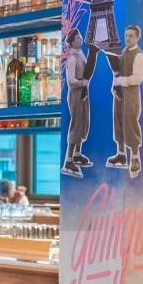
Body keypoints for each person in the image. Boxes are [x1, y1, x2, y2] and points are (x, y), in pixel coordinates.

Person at [106, 24, 143, 178]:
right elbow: (118, 71)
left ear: (137, 37)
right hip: (120, 95)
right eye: (126, 35)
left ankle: (135, 158)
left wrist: (121, 80)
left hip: (131, 96)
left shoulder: (139, 55)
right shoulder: (124, 52)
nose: (127, 38)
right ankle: (121, 154)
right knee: (119, 123)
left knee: (130, 124)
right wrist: (115, 85)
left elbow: (138, 78)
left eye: (131, 35)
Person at [62, 28, 92, 177]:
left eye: (80, 38)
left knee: (83, 122)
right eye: (78, 38)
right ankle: (68, 161)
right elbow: (71, 81)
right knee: (76, 125)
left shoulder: (80, 53)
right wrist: (83, 83)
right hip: (76, 94)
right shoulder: (72, 58)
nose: (81, 40)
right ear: (72, 42)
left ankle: (77, 154)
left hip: (83, 93)